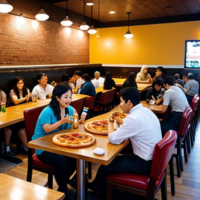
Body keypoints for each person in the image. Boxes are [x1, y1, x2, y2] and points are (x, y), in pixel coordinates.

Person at [88, 87, 162, 196]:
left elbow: (113, 139)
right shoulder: (146, 111)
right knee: (115, 160)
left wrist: (110, 123)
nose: (120, 105)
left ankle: (99, 191)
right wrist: (121, 121)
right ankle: (105, 190)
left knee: (106, 164)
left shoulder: (133, 119)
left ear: (129, 103)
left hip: (143, 164)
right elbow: (136, 126)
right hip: (154, 160)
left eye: (121, 101)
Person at [32, 83, 86, 199]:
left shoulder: (70, 110)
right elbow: (47, 129)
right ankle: (63, 191)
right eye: (65, 97)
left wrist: (80, 121)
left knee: (75, 158)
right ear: (57, 97)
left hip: (58, 145)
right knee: (62, 162)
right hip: (43, 146)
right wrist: (61, 121)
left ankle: (63, 186)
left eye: (70, 97)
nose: (69, 100)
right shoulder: (48, 111)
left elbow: (73, 125)